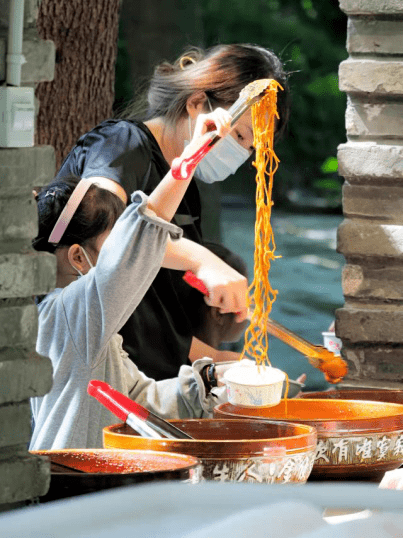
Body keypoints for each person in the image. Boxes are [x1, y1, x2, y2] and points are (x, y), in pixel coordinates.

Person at [56, 43, 290, 381]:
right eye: (240, 135)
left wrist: (212, 354)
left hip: (142, 372)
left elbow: (157, 302)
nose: (241, 154)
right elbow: (99, 231)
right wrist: (203, 261)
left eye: (250, 148)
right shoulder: (121, 143)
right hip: (87, 364)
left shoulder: (186, 189)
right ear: (197, 104)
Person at [30, 110, 249, 450]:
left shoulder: (82, 325)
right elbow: (141, 237)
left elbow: (134, 400)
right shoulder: (73, 314)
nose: (129, 259)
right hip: (78, 488)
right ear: (76, 257)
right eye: (113, 245)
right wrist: (190, 156)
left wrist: (210, 382)